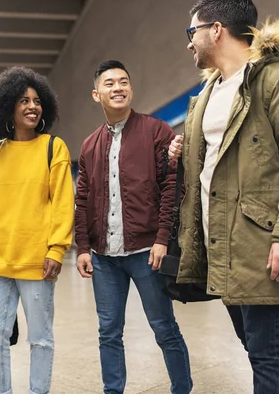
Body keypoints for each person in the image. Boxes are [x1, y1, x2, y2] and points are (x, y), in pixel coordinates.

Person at [167, 0, 279, 392]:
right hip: (224, 246)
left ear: (216, 30)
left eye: (193, 32)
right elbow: (225, 162)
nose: (189, 43)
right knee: (256, 350)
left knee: (270, 354)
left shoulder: (275, 78)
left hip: (263, 243)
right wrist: (184, 146)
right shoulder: (209, 95)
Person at [75, 60, 192, 394]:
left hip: (146, 253)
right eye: (109, 83)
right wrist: (83, 248)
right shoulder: (89, 145)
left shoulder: (156, 131)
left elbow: (172, 186)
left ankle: (181, 389)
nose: (118, 88)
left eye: (123, 81)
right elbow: (81, 200)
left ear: (131, 89)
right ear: (97, 94)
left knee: (163, 327)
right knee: (109, 332)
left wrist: (161, 240)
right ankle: (113, 390)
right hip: (104, 256)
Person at [0, 66, 75, 394]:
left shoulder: (53, 147)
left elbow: (62, 203)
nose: (32, 106)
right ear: (7, 107)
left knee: (41, 340)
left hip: (37, 263)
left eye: (36, 101)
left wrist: (57, 249)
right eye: (23, 101)